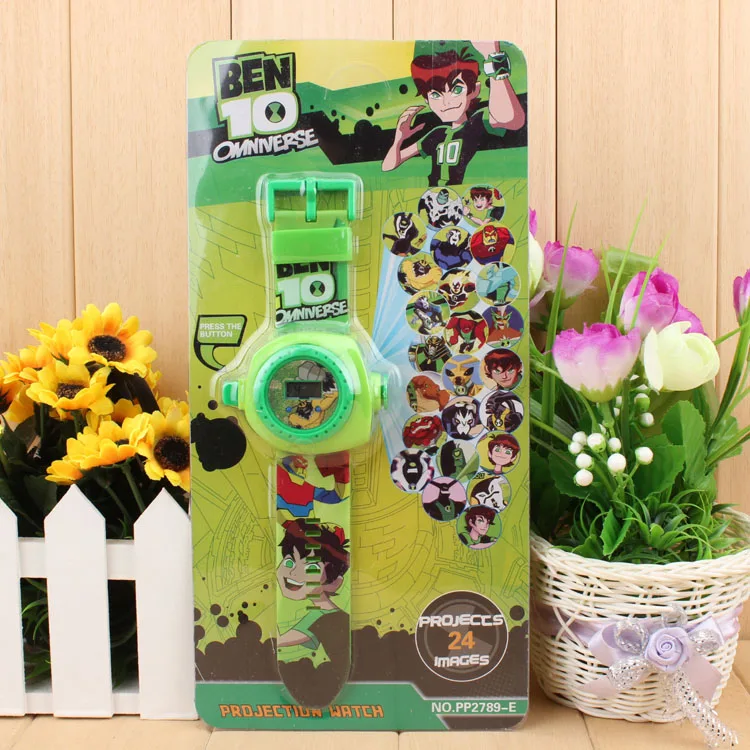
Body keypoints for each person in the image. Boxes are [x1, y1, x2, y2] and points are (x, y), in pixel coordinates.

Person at [382, 43, 525, 186]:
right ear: (427, 100)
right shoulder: (437, 134)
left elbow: (511, 119)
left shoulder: (476, 123)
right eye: (435, 95)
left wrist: (492, 55)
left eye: (457, 90)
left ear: (474, 90)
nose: (446, 102)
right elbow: (388, 166)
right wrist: (398, 139)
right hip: (434, 196)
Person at [276, 520, 349, 650]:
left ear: (332, 580)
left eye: (311, 568)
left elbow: (278, 640)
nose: (293, 573)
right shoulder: (330, 614)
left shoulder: (322, 618)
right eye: (289, 562)